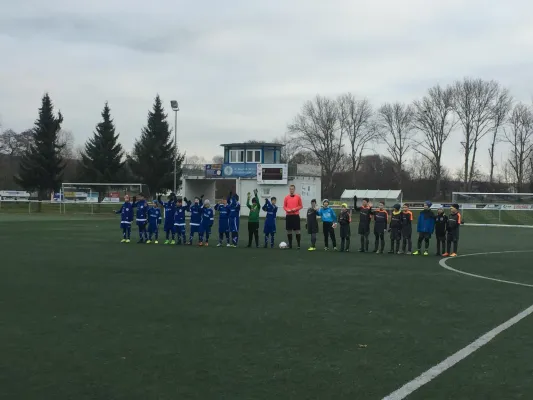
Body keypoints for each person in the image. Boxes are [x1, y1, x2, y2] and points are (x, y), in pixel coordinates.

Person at [283, 184, 303, 249]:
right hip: (289, 216)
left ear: (294, 189)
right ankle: (290, 245)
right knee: (289, 230)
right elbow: (284, 206)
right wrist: (287, 210)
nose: (291, 190)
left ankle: (298, 245)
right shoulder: (286, 197)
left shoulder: (298, 197)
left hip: (295, 216)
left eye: (292, 189)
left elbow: (301, 206)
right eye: (290, 189)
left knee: (297, 230)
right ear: (289, 189)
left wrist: (295, 209)